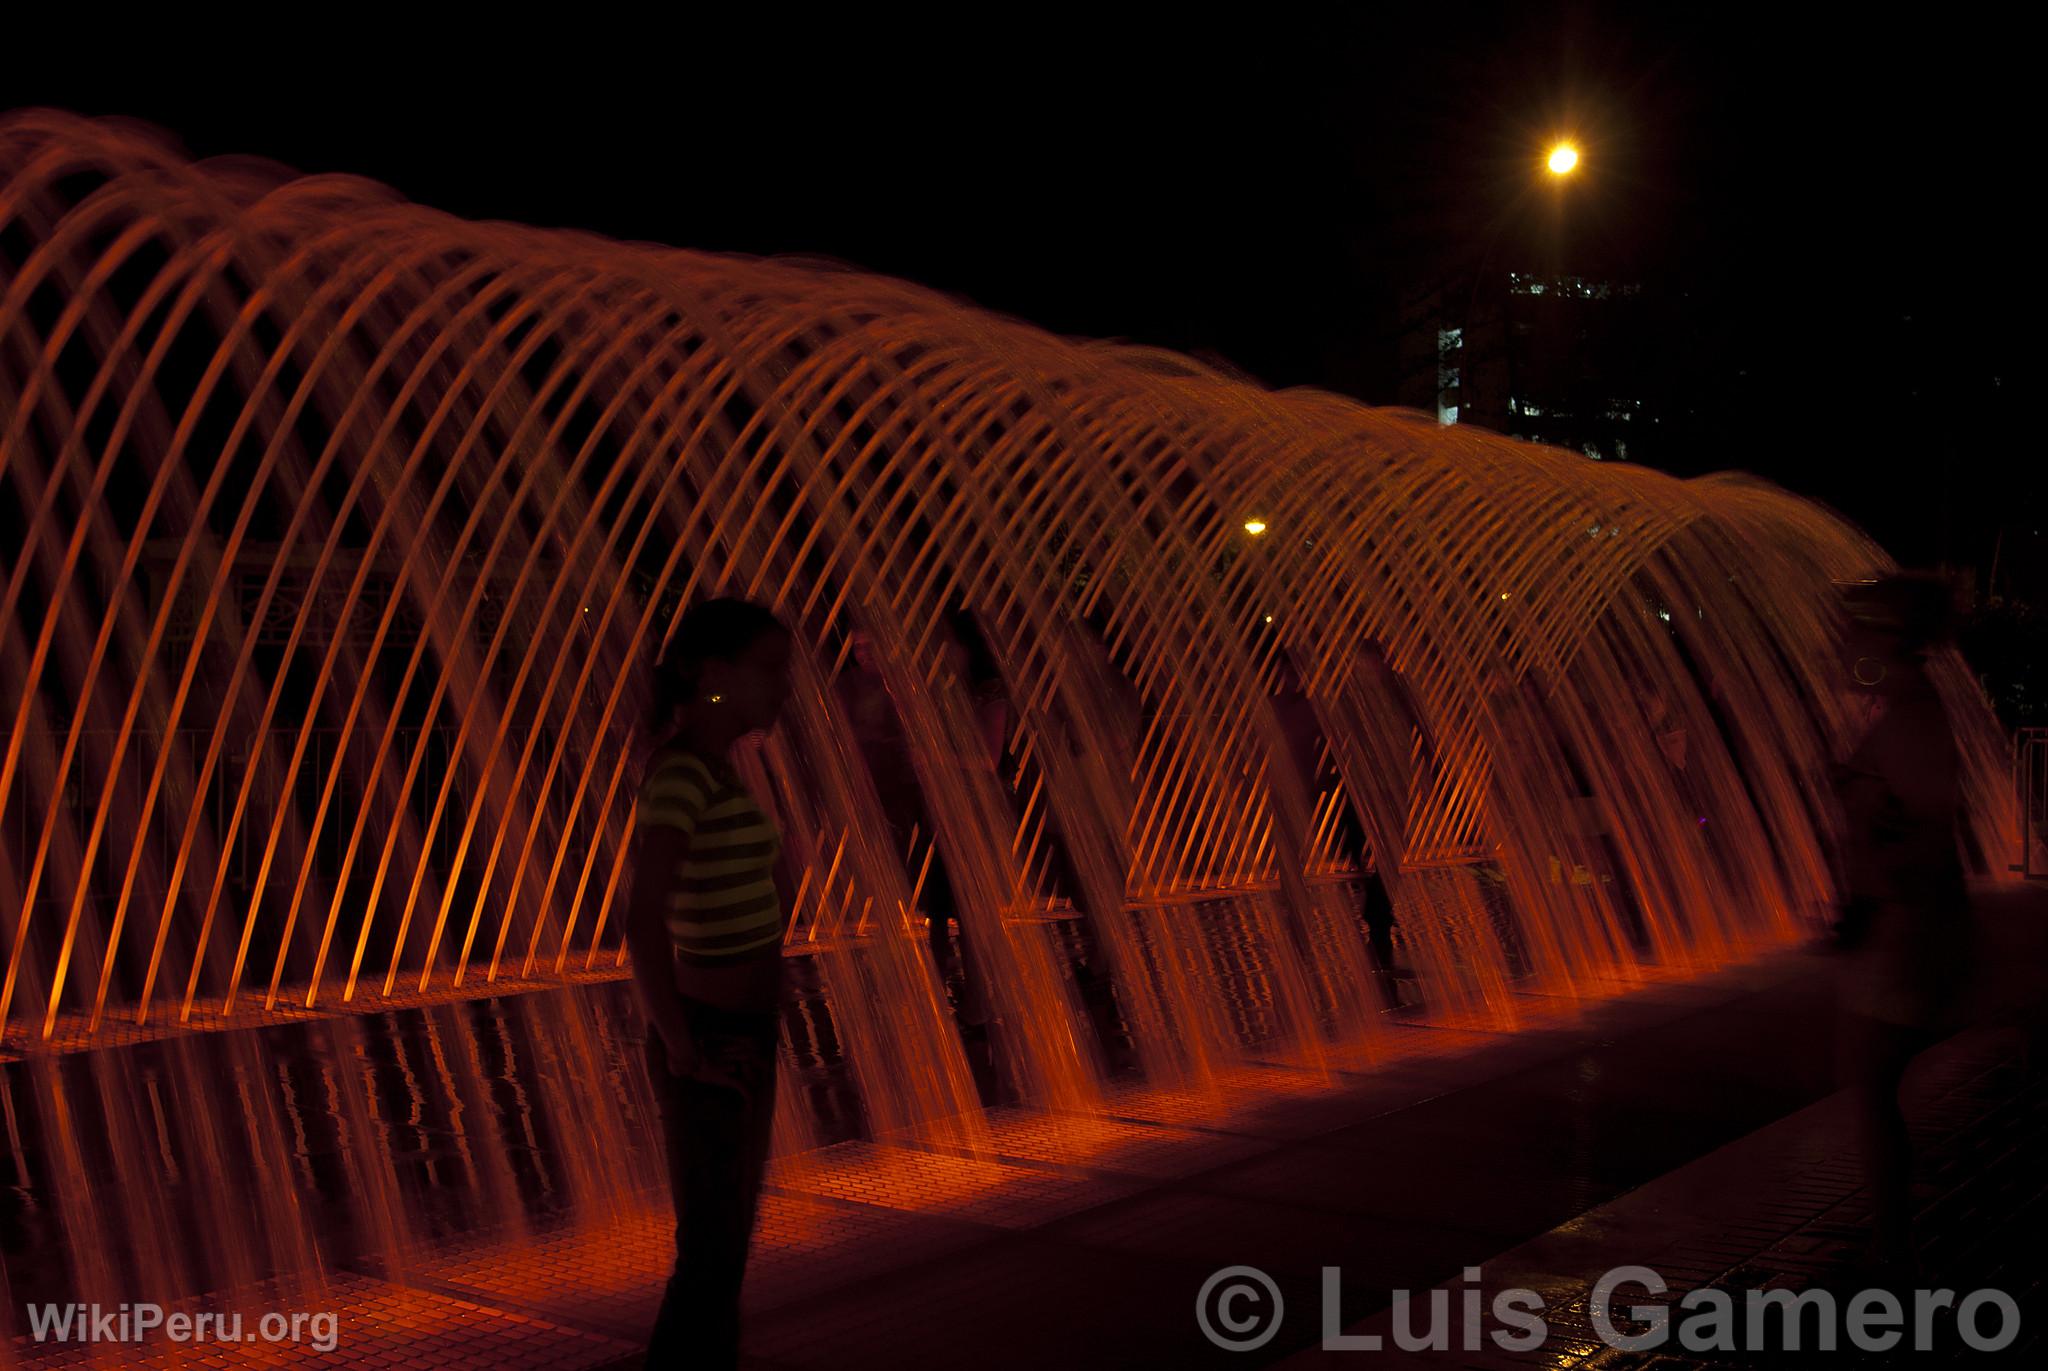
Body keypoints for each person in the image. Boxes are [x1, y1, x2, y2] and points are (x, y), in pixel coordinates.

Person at [625, 597, 794, 1369]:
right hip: (712, 1041)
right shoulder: (682, 773)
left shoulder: (721, 767)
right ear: (715, 675)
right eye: (770, 670)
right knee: (710, 1254)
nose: (782, 687)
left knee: (727, 1248)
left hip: (745, 1035)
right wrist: (685, 1052)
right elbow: (641, 918)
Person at [1829, 573, 1972, 1270]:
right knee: (1873, 1081)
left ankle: (1893, 1245)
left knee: (1873, 1079)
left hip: (1910, 933)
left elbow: (1928, 827)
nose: (1842, 639)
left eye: (1853, 625)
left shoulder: (1913, 716)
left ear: (1883, 634)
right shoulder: (1900, 708)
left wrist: (1883, 891)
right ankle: (1893, 1236)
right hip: (1902, 926)